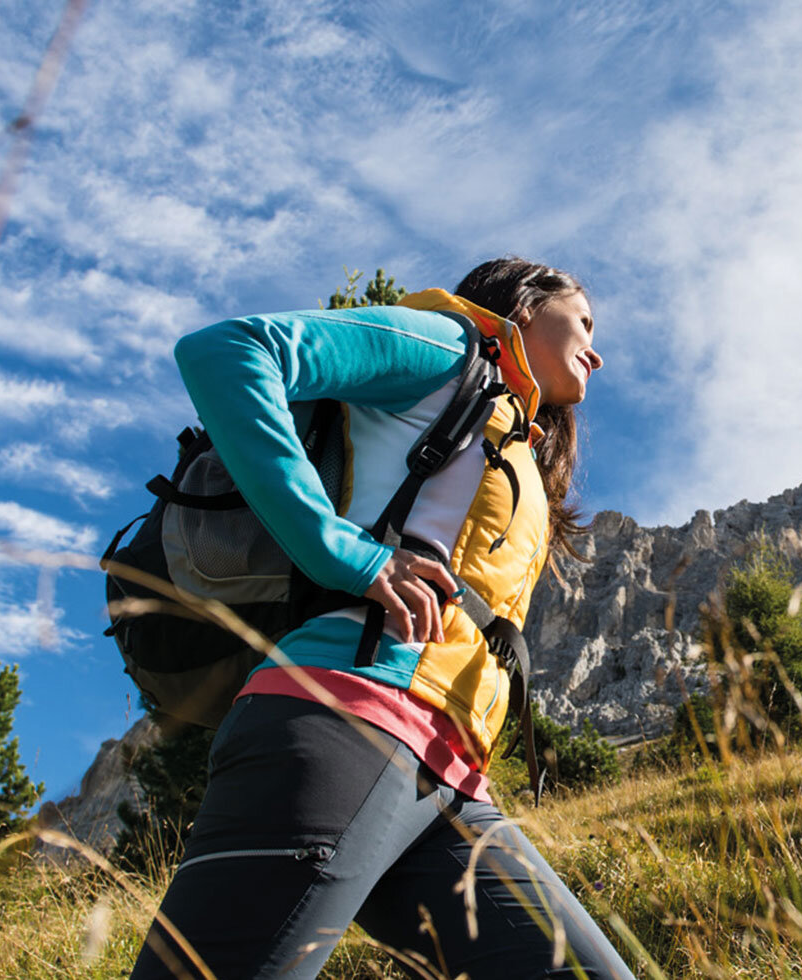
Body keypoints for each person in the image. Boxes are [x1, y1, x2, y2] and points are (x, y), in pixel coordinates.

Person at [129, 258, 633, 979]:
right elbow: (227, 349)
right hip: (346, 718)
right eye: (583, 319)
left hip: (451, 785)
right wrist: (347, 555)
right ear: (526, 303)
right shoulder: (446, 347)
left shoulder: (513, 433)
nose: (597, 345)